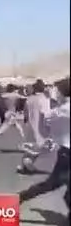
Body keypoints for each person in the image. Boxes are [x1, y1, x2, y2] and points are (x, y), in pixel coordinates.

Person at [18, 77, 69, 205]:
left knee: (52, 184)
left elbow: (48, 119)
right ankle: (20, 197)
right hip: (67, 152)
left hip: (66, 152)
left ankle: (20, 197)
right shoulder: (64, 109)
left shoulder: (63, 109)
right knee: (53, 183)